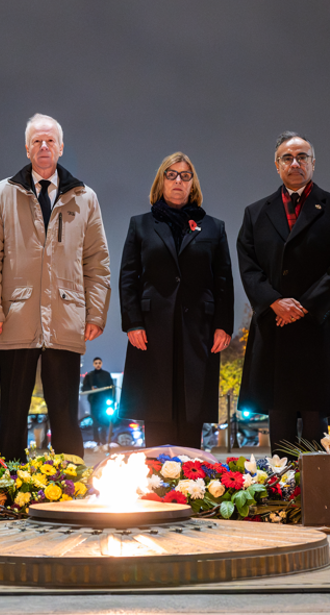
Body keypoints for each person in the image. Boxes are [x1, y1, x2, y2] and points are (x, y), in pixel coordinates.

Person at [0, 114, 111, 462]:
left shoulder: (85, 197)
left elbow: (97, 261)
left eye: (50, 140)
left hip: (66, 317)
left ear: (61, 147)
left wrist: (95, 313)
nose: (44, 146)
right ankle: (8, 481)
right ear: (27, 148)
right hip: (15, 316)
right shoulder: (2, 194)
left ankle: (71, 480)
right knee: (12, 414)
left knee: (65, 413)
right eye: (37, 141)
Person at [237, 131, 330, 454]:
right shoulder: (255, 213)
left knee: (319, 428)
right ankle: (282, 487)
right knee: (280, 424)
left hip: (318, 328)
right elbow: (248, 266)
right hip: (274, 330)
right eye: (287, 158)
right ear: (276, 165)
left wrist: (304, 306)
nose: (295, 163)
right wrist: (274, 301)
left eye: (302, 157)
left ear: (313, 163)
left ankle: (320, 488)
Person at [119, 152, 234, 447]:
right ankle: (158, 471)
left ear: (192, 183)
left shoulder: (214, 227)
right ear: (161, 181)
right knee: (156, 404)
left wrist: (223, 324)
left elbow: (223, 279)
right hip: (152, 327)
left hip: (199, 329)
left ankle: (192, 471)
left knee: (192, 403)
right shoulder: (140, 225)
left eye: (185, 175)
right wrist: (132, 322)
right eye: (171, 175)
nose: (178, 181)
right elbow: (129, 277)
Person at [81, 357, 114, 444]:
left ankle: (103, 440)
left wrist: (112, 401)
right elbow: (84, 388)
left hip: (104, 401)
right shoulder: (90, 376)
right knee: (95, 422)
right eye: (96, 363)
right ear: (93, 364)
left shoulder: (106, 375)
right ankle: (97, 441)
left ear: (101, 363)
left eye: (99, 363)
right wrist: (91, 389)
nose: (98, 365)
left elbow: (112, 388)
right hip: (94, 402)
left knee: (105, 421)